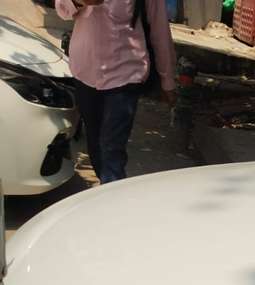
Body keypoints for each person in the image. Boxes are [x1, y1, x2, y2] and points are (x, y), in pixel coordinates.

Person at [55, 0, 177, 184]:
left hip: (125, 74)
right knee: (96, 147)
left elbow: (159, 30)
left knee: (111, 150)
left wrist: (167, 80)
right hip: (85, 70)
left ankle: (112, 204)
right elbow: (62, 10)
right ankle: (108, 191)